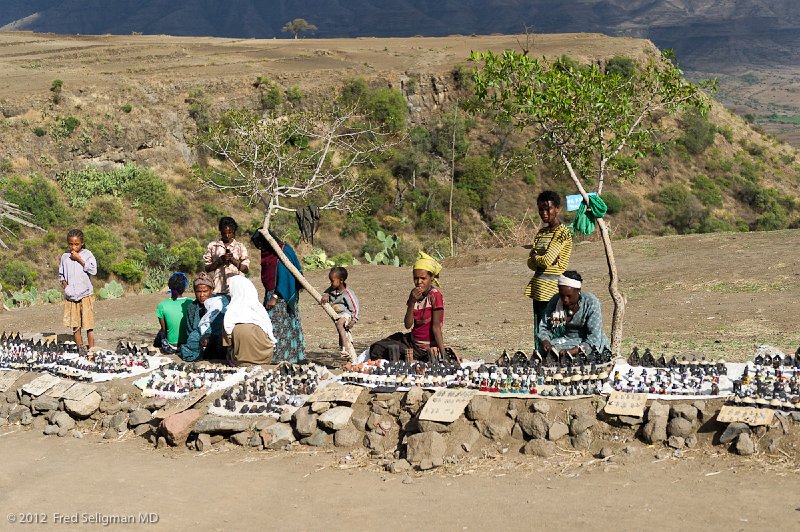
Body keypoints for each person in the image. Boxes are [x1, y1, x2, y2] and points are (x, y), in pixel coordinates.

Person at [370, 251, 454, 362]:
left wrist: (442, 353)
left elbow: (436, 327)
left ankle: (413, 359)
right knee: (378, 346)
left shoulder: (435, 295)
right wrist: (411, 302)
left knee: (380, 350)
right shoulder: (414, 294)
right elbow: (408, 324)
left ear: (432, 278)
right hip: (412, 339)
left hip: (423, 347)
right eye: (416, 278)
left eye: (423, 278)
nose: (419, 282)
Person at [526, 191, 572, 352]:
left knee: (553, 324)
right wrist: (540, 258)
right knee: (539, 325)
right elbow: (530, 263)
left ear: (557, 209)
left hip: (553, 288)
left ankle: (555, 355)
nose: (544, 213)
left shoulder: (562, 233)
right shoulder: (541, 233)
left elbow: (543, 260)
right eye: (541, 210)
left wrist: (538, 257)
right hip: (538, 289)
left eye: (548, 209)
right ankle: (540, 356)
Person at [251, 229, 306, 363]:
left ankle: (282, 356)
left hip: (281, 294)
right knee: (282, 325)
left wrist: (275, 296)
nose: (259, 247)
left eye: (260, 243)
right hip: (271, 292)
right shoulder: (268, 253)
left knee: (277, 325)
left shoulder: (281, 250)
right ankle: (284, 356)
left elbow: (286, 274)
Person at [538, 271, 609, 358]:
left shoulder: (591, 302)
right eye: (562, 295)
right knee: (544, 351)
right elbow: (545, 327)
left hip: (589, 343)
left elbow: (594, 337)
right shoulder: (556, 301)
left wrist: (573, 351)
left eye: (569, 295)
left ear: (578, 291)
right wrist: (545, 341)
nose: (565, 299)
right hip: (567, 340)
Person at [224, 276, 277, 366]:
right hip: (265, 359)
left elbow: (228, 342)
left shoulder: (231, 312)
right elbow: (270, 335)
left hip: (242, 361)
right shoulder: (259, 309)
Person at [59, 228, 98, 349]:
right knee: (75, 326)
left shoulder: (87, 255)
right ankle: (80, 348)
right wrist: (67, 288)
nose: (73, 247)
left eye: (76, 244)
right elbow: (61, 275)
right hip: (71, 296)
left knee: (88, 325)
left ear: (82, 243)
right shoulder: (65, 257)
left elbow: (93, 270)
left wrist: (79, 259)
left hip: (85, 295)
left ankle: (91, 350)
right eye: (71, 244)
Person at [181, 273, 229, 362]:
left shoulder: (220, 303)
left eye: (205, 291)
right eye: (198, 292)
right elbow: (190, 329)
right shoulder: (192, 307)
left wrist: (209, 335)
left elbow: (224, 326)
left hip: (218, 338)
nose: (202, 295)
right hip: (198, 339)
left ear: (211, 290)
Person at [320, 266, 361, 358]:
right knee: (340, 330)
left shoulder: (348, 293)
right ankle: (343, 347)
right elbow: (324, 294)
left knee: (340, 324)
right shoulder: (331, 290)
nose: (331, 283)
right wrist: (325, 295)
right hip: (337, 315)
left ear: (341, 280)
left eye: (332, 281)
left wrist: (354, 320)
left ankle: (345, 348)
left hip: (347, 314)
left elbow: (355, 307)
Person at [203, 216, 249, 295]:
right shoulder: (213, 246)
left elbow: (245, 269)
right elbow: (207, 268)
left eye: (230, 232)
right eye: (224, 233)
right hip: (218, 289)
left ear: (233, 231)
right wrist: (220, 261)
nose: (227, 236)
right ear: (220, 231)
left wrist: (233, 260)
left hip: (236, 290)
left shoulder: (240, 247)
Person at [154, 272, 192, 354]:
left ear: (170, 286)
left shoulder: (162, 305)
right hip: (188, 345)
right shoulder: (191, 302)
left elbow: (164, 330)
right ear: (184, 287)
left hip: (171, 347)